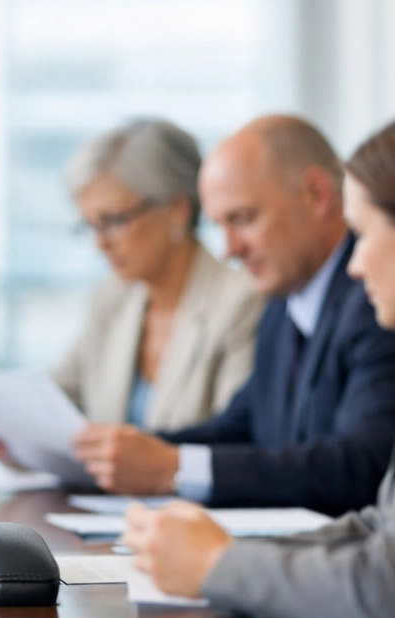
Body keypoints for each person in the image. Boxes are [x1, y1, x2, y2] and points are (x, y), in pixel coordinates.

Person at [125, 108, 395, 618]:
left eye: (364, 234)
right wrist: (222, 553)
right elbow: (386, 525)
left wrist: (218, 567)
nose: (354, 266)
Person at [70, 115, 395, 515]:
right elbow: (239, 429)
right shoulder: (284, 300)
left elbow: (362, 464)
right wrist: (120, 456)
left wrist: (173, 468)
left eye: (242, 219)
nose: (229, 249)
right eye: (220, 225)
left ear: (316, 195)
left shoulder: (380, 299)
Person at [51, 119, 261, 430]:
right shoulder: (111, 297)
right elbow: (54, 398)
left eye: (113, 221)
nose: (101, 244)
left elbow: (234, 438)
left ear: (177, 208)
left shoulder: (243, 302)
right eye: (91, 226)